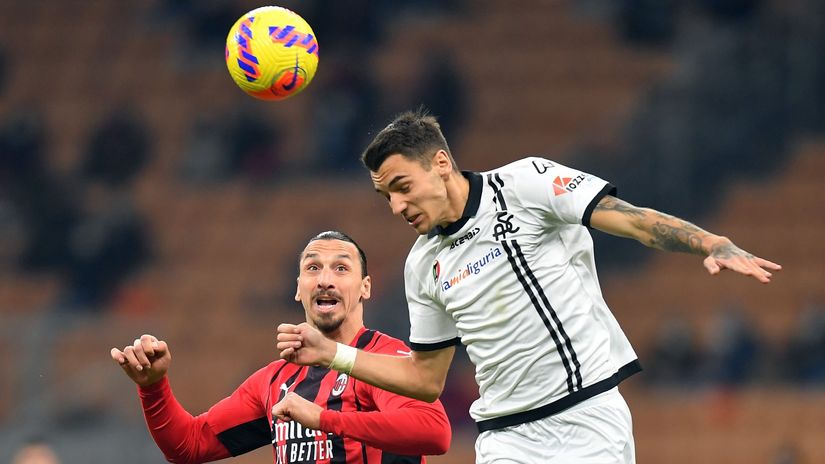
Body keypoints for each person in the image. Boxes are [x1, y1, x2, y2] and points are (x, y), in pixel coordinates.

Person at [277, 109, 782, 463]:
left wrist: (709, 242)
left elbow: (626, 219)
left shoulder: (525, 184)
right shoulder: (422, 265)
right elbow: (426, 380)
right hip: (503, 438)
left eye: (402, 187)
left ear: (441, 164)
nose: (397, 208)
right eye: (386, 197)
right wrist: (332, 354)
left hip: (585, 418)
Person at [111, 230, 451, 463]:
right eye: (312, 267)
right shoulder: (274, 381)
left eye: (341, 268)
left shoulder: (384, 359)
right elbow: (190, 445)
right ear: (299, 289)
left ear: (365, 288)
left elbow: (435, 433)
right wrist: (153, 386)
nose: (325, 279)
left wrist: (325, 419)